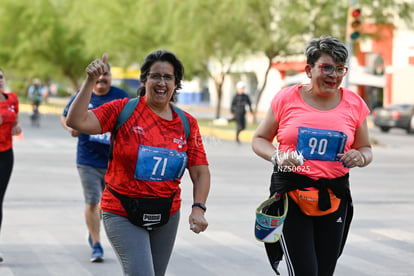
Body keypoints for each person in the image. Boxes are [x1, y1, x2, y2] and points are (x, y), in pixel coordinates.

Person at [66, 50, 210, 276]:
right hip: (121, 209)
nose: (161, 82)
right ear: (144, 80)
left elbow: (200, 172)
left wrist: (198, 207)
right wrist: (90, 81)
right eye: (155, 76)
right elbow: (76, 120)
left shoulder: (186, 123)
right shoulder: (122, 110)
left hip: (166, 212)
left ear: (175, 84)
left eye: (168, 77)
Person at [251, 36, 373, 276]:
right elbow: (259, 140)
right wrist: (277, 156)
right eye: (327, 67)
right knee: (305, 271)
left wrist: (360, 157)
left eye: (340, 69)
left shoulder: (354, 104)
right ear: (308, 70)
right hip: (292, 197)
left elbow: (366, 148)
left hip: (334, 198)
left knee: (324, 271)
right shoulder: (286, 98)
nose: (334, 75)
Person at [60, 63, 130, 263]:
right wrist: (70, 128)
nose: (102, 79)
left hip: (115, 161)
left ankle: (93, 231)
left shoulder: (121, 96)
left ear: (111, 76)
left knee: (109, 205)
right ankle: (97, 244)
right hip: (88, 159)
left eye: (106, 75)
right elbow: (65, 115)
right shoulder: (84, 95)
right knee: (92, 201)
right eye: (98, 76)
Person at [0, 68, 22, 262]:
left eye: (0, 77)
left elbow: (15, 121)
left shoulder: (12, 99)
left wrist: (16, 126)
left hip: (6, 154)